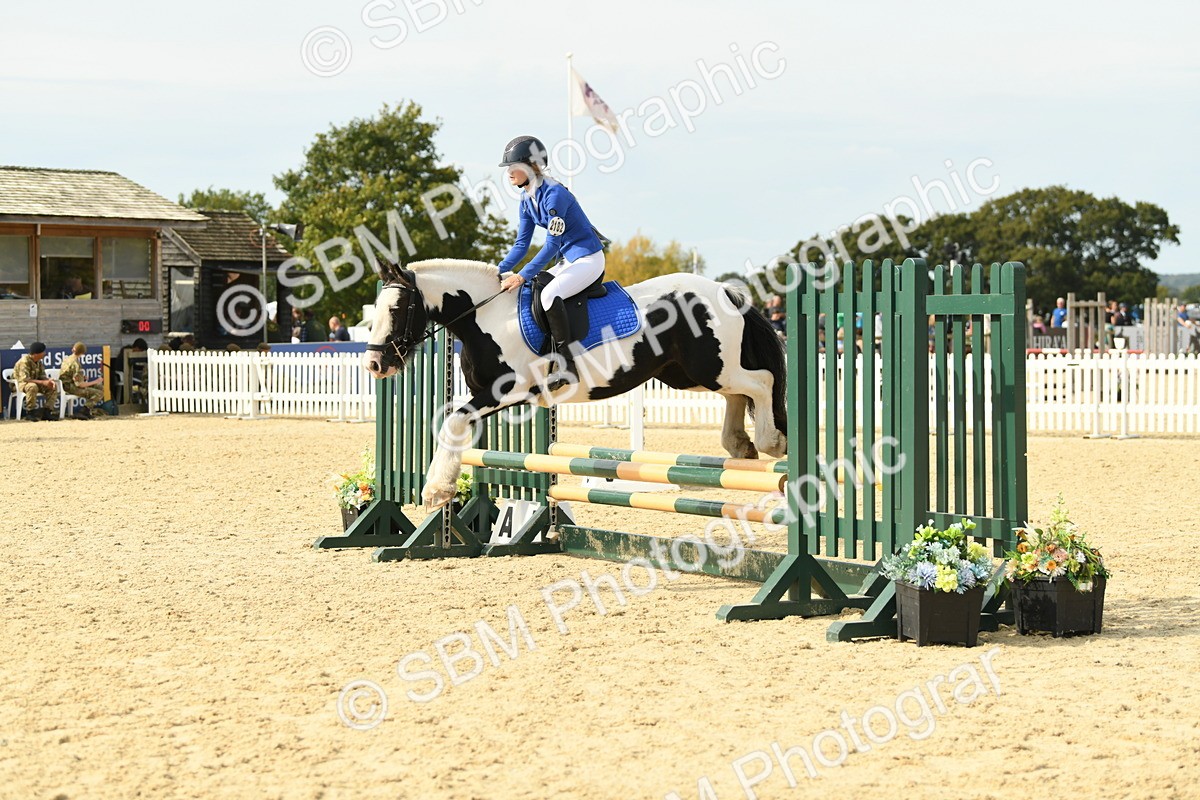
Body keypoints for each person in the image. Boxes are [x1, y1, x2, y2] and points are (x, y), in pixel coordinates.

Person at [495, 135, 606, 387]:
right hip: (568, 261)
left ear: (532, 166)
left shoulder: (554, 195)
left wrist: (521, 274)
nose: (509, 173)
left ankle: (567, 365)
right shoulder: (526, 200)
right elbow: (521, 245)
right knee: (533, 292)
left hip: (587, 258)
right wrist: (497, 271)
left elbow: (551, 245)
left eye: (514, 167)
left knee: (548, 295)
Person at [59, 342, 105, 419]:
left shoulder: (67, 359)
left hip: (66, 384)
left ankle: (87, 411)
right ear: (82, 353)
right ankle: (83, 411)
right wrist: (96, 381)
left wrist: (82, 378)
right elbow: (80, 385)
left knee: (99, 387)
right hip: (70, 387)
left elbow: (72, 375)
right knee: (99, 393)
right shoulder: (76, 364)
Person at [13, 342, 57, 421]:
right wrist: (42, 382)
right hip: (22, 384)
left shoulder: (39, 362)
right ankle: (30, 412)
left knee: (52, 386)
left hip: (35, 383)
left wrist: (48, 381)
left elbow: (42, 376)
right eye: (43, 352)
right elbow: (25, 379)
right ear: (36, 354)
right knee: (32, 386)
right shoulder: (24, 361)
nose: (44, 353)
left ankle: (47, 412)